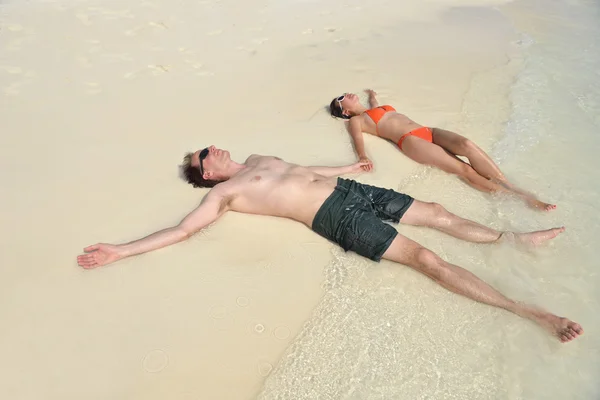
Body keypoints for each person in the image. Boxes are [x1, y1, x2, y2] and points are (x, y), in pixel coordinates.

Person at [76, 146, 582, 343]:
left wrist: (348, 169)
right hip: (333, 216)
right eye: (206, 153)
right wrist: (121, 250)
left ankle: (517, 241)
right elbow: (183, 230)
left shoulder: (259, 156)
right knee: (426, 258)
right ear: (207, 172)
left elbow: (305, 170)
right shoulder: (228, 194)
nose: (216, 146)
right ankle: (529, 311)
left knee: (439, 214)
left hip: (349, 191)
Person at [329, 90, 556, 211]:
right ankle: (516, 199)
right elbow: (358, 139)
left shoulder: (374, 107)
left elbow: (378, 106)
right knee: (463, 169)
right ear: (345, 112)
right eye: (341, 99)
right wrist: (362, 156)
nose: (345, 94)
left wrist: (372, 95)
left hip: (426, 130)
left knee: (468, 146)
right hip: (410, 141)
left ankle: (508, 184)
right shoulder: (356, 121)